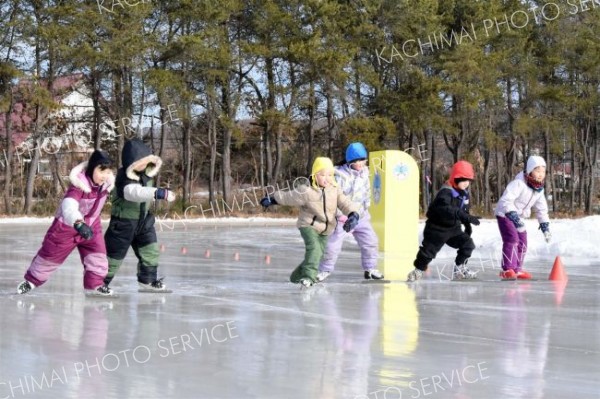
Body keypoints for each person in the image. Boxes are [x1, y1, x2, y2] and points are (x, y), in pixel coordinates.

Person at [17, 150, 114, 295]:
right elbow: (68, 205)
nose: (104, 176)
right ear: (92, 168)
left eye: (107, 172)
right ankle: (31, 281)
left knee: (98, 256)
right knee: (50, 256)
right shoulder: (79, 185)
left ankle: (95, 284)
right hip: (67, 226)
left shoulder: (106, 185)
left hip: (93, 224)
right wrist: (78, 223)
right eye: (101, 171)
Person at [260, 157, 360, 288]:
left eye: (330, 175)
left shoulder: (335, 190)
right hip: (308, 225)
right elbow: (289, 197)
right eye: (322, 174)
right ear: (315, 175)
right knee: (314, 250)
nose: (327, 178)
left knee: (318, 255)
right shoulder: (306, 191)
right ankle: (308, 278)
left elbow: (345, 202)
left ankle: (296, 277)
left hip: (326, 228)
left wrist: (353, 214)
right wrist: (273, 199)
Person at [103, 138, 176, 293]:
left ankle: (147, 280)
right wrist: (157, 192)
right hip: (123, 223)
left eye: (147, 160)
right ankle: (99, 282)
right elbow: (133, 193)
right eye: (140, 161)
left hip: (143, 221)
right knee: (113, 256)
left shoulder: (146, 175)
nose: (144, 164)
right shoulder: (123, 177)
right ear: (132, 163)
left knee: (151, 250)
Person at [316, 142, 383, 282]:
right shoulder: (339, 174)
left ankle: (370, 269)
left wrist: (366, 207)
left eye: (362, 160)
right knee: (332, 245)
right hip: (342, 217)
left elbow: (366, 192)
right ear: (349, 161)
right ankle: (324, 270)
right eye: (356, 160)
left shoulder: (366, 172)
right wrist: (340, 215)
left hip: (361, 216)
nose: (360, 163)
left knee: (371, 241)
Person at [407, 160, 481, 282]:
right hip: (437, 229)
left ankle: (459, 268)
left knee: (468, 244)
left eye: (468, 180)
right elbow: (446, 209)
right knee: (428, 252)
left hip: (453, 229)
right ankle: (418, 270)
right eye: (463, 180)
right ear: (455, 178)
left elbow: (463, 210)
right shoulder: (446, 192)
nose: (466, 183)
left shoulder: (464, 193)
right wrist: (463, 216)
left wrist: (467, 223)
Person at [495, 155, 551, 280]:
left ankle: (517, 269)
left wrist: (545, 227)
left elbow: (541, 209)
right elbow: (505, 201)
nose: (541, 174)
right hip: (505, 214)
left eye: (543, 171)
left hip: (519, 218)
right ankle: (507, 269)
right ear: (530, 170)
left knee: (523, 243)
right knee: (512, 239)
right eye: (537, 170)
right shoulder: (518, 183)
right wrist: (513, 216)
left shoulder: (539, 189)